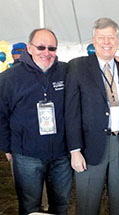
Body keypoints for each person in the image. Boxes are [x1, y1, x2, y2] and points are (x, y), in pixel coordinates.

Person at [65, 17, 119, 215]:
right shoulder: (77, 67)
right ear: (94, 40)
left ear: (118, 41)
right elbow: (71, 112)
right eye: (102, 37)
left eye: (111, 37)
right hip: (89, 146)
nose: (107, 42)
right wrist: (74, 150)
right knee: (88, 202)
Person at [0, 28, 72, 215]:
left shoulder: (66, 71)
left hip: (61, 155)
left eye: (51, 48)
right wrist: (7, 147)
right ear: (29, 48)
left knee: (61, 206)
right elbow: (1, 115)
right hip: (26, 156)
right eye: (41, 47)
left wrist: (117, 60)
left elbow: (93, 69)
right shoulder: (9, 78)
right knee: (30, 207)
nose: (46, 52)